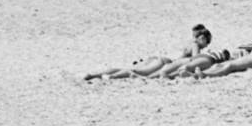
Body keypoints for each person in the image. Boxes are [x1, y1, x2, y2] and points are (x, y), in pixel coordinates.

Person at [84, 24, 216, 80]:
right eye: (208, 41)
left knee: (130, 68)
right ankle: (111, 77)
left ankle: (96, 75)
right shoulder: (195, 45)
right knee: (139, 72)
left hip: (160, 59)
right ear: (202, 38)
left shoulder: (189, 43)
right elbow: (194, 60)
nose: (207, 45)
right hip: (165, 62)